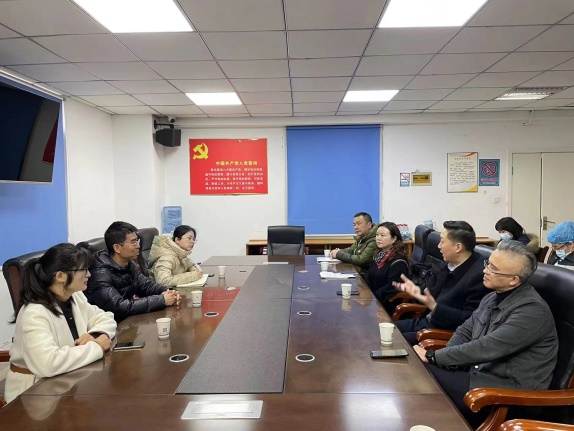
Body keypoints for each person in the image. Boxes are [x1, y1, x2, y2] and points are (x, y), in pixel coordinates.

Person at [413, 241, 558, 428]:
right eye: (488, 264)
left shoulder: (532, 311)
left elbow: (486, 347)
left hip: (510, 392)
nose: (484, 271)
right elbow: (466, 330)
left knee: (424, 378)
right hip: (480, 375)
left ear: (514, 280)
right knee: (422, 374)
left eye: (493, 269)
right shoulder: (493, 296)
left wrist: (433, 356)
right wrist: (446, 360)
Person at [5, 243, 117, 404]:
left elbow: (105, 317)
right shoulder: (35, 312)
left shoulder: (74, 296)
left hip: (68, 378)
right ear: (60, 276)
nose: (89, 274)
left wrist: (95, 335)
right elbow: (48, 364)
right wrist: (97, 347)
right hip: (33, 393)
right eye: (84, 270)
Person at [393, 221, 489, 345]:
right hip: (426, 322)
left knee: (391, 340)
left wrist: (436, 308)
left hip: (439, 335)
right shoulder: (450, 264)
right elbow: (436, 294)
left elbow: (470, 319)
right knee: (384, 328)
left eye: (442, 242)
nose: (439, 246)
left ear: (458, 247)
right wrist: (418, 292)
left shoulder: (479, 276)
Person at [85, 221, 180, 321]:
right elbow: (119, 307)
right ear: (117, 248)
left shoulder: (129, 264)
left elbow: (146, 286)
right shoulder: (99, 274)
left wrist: (169, 291)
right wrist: (162, 300)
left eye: (137, 241)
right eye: (133, 242)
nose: (138, 246)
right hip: (110, 325)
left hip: (128, 321)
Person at [365, 222, 409, 313]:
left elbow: (392, 287)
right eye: (377, 235)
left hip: (388, 305)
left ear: (394, 239)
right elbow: (369, 277)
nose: (378, 238)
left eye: (382, 235)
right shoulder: (378, 255)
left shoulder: (399, 261)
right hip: (373, 300)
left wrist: (372, 297)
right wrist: (365, 292)